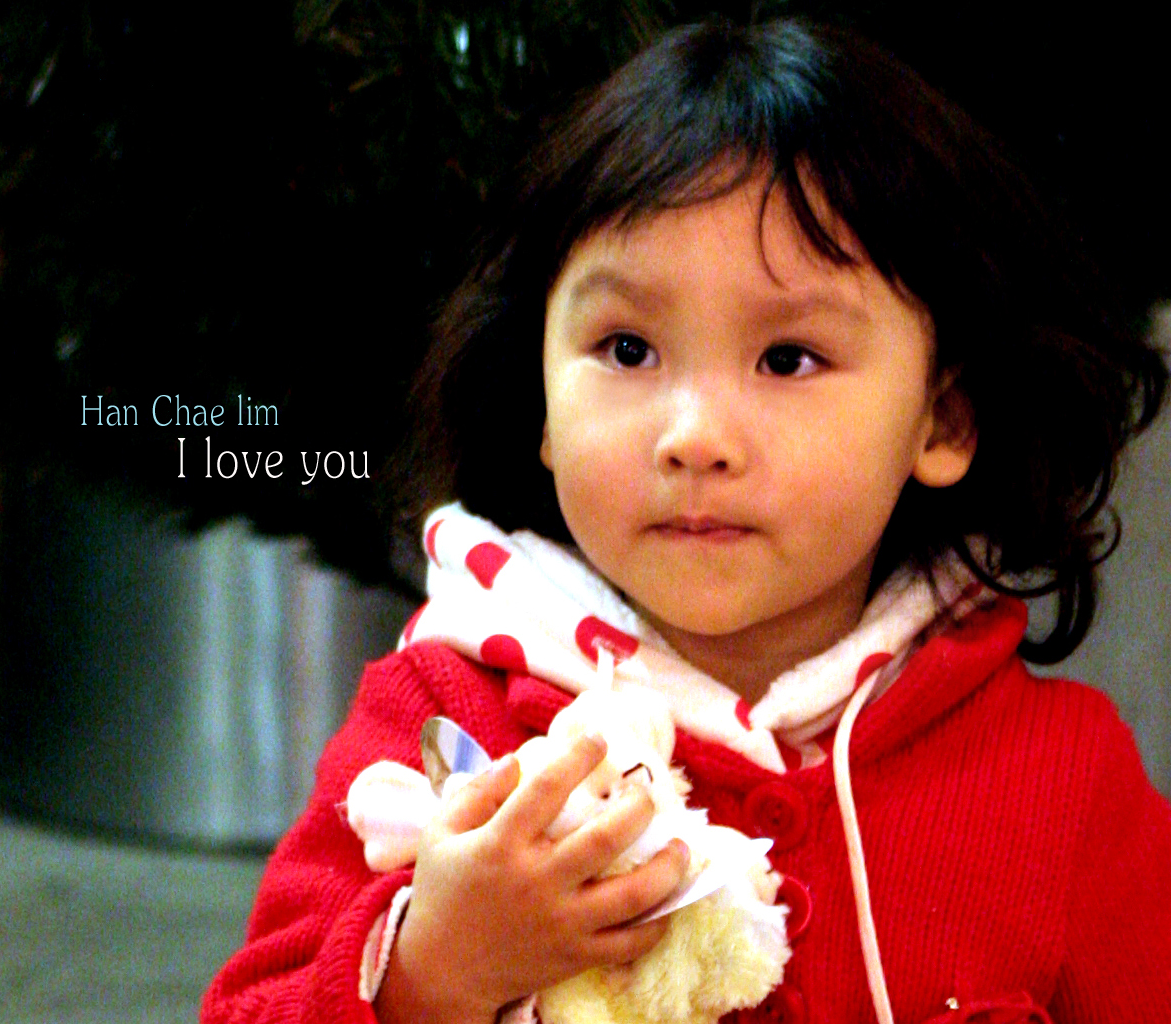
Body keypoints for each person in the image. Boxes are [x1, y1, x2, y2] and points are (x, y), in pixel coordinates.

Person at [201, 17, 1171, 1024]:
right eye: (627, 349)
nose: (694, 437)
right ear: (540, 404)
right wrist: (430, 970)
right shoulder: (440, 717)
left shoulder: (1065, 779)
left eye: (787, 358)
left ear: (943, 420)